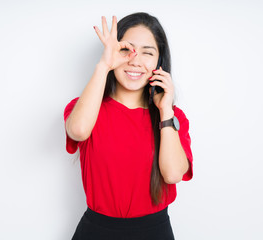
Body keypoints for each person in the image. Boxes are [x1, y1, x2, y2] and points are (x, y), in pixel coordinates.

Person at [64, 12, 193, 240]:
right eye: (127, 49)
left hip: (155, 232)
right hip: (96, 231)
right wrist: (104, 66)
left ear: (159, 62)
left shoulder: (173, 117)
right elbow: (78, 130)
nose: (135, 60)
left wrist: (165, 111)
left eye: (147, 52)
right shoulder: (85, 107)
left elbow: (173, 174)